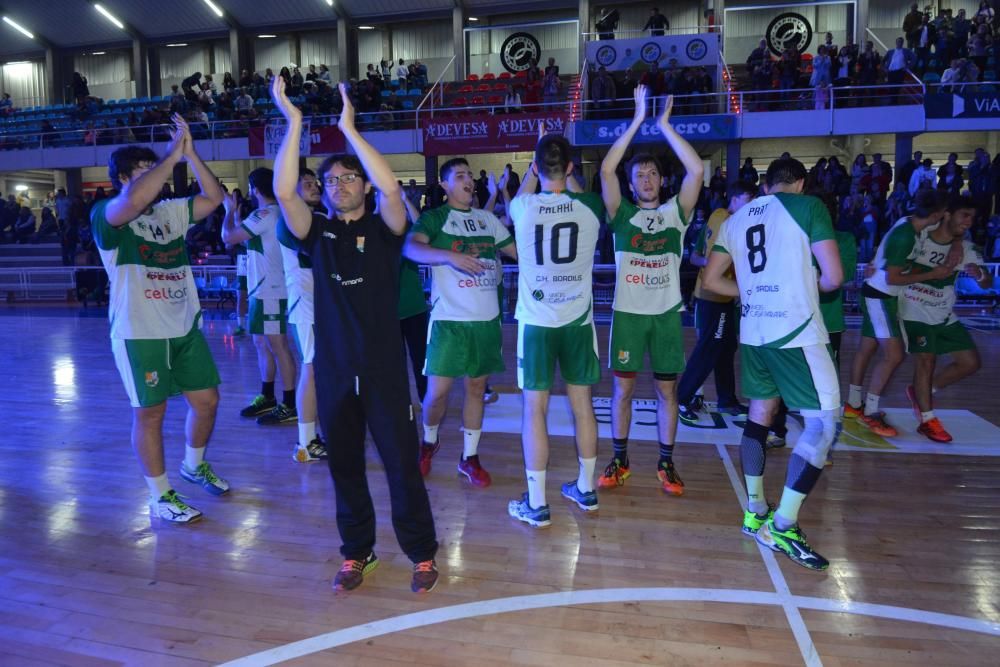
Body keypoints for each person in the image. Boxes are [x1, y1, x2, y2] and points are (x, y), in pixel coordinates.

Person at [271, 76, 439, 593]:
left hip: (385, 371)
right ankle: (356, 553)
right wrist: (294, 122)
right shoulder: (316, 233)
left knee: (401, 469)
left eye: (349, 178)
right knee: (344, 468)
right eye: (332, 180)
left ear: (362, 185)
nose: (341, 184)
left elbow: (391, 189)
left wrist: (350, 128)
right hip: (337, 371)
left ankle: (421, 554)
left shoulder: (387, 231)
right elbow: (282, 190)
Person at [702, 157, 844, 571]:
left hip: (754, 332)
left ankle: (754, 510)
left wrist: (750, 293)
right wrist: (803, 285)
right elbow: (833, 278)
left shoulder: (738, 218)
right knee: (821, 423)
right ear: (800, 183)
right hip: (796, 331)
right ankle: (782, 523)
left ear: (766, 185)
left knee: (760, 417)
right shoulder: (809, 207)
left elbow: (711, 281)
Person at [90, 116, 227, 524]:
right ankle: (160, 494)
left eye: (157, 170)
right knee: (150, 414)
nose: (156, 178)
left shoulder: (170, 211)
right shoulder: (109, 212)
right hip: (140, 333)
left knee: (208, 402)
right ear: (121, 179)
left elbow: (214, 198)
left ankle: (193, 464)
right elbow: (133, 202)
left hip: (183, 325)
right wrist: (170, 157)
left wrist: (190, 154)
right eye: (143, 172)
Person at [593, 85, 704, 495]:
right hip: (627, 315)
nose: (646, 179)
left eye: (653, 173)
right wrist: (637, 119)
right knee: (621, 390)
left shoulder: (676, 213)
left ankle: (665, 463)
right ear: (631, 182)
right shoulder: (620, 215)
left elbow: (697, 172)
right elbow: (606, 170)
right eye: (639, 175)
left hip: (665, 316)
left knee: (666, 391)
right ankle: (620, 459)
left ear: (661, 179)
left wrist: (664, 125)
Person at [506, 132, 605, 528]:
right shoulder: (591, 207)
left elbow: (529, 187)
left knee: (535, 409)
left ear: (534, 167)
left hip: (537, 325)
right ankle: (585, 488)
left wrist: (534, 170)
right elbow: (579, 195)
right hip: (578, 322)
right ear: (569, 168)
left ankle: (536, 503)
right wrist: (571, 175)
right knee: (583, 407)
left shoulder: (522, 207)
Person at [404, 161, 517, 488]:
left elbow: (517, 253)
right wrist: (450, 256)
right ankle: (429, 441)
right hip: (448, 323)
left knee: (476, 389)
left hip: (485, 323)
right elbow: (411, 248)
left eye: (471, 175)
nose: (469, 180)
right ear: (444, 185)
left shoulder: (487, 220)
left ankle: (469, 457)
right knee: (436, 395)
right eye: (461, 176)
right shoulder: (435, 217)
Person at [846, 189, 950, 437]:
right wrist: (931, 275)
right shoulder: (906, 235)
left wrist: (876, 261)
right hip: (881, 295)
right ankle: (870, 413)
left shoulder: (908, 223)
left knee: (867, 349)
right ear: (935, 214)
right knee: (894, 355)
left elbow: (886, 252)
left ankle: (853, 404)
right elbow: (894, 276)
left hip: (877, 292)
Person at [900, 197, 989, 443]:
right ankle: (927, 420)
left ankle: (923, 392)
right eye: (965, 216)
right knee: (926, 359)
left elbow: (987, 282)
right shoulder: (920, 234)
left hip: (943, 311)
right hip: (913, 307)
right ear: (947, 215)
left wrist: (980, 274)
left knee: (970, 363)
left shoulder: (967, 248)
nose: (969, 222)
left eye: (972, 217)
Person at [221, 169, 299, 427]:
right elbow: (247, 243)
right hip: (262, 289)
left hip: (270, 289)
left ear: (254, 189)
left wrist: (229, 211)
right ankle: (268, 397)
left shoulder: (264, 213)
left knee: (278, 346)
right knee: (262, 344)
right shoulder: (273, 215)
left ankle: (289, 403)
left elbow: (228, 238)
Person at [677, 181, 758, 426]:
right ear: (734, 199)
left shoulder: (719, 216)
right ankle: (682, 398)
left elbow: (697, 256)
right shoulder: (727, 220)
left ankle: (726, 399)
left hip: (720, 296)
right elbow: (714, 259)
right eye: (748, 200)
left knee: (725, 348)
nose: (751, 206)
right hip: (713, 296)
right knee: (709, 348)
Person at [274, 168, 328, 462]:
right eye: (305, 184)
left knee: (326, 370)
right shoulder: (287, 222)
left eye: (313, 182)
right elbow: (324, 254)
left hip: (327, 305)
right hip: (305, 304)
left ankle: (323, 431)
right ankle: (305, 442)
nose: (314, 186)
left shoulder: (320, 218)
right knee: (311, 367)